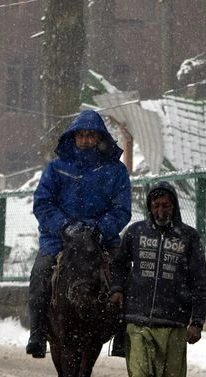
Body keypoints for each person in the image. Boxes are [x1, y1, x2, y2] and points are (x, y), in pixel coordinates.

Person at [109, 181, 206, 377]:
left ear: (174, 206)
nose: (160, 209)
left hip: (175, 328)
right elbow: (118, 264)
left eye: (165, 204)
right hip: (138, 324)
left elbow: (199, 282)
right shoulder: (135, 233)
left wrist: (197, 321)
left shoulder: (188, 238)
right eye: (155, 205)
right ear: (149, 207)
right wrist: (117, 289)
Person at [25, 109, 132, 358]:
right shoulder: (57, 168)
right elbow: (42, 203)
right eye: (80, 135)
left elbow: (122, 209)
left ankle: (121, 333)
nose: (85, 140)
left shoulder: (115, 171)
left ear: (99, 138)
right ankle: (38, 332)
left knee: (125, 274)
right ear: (72, 137)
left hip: (102, 239)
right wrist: (64, 226)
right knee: (40, 274)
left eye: (90, 136)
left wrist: (99, 229)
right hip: (59, 240)